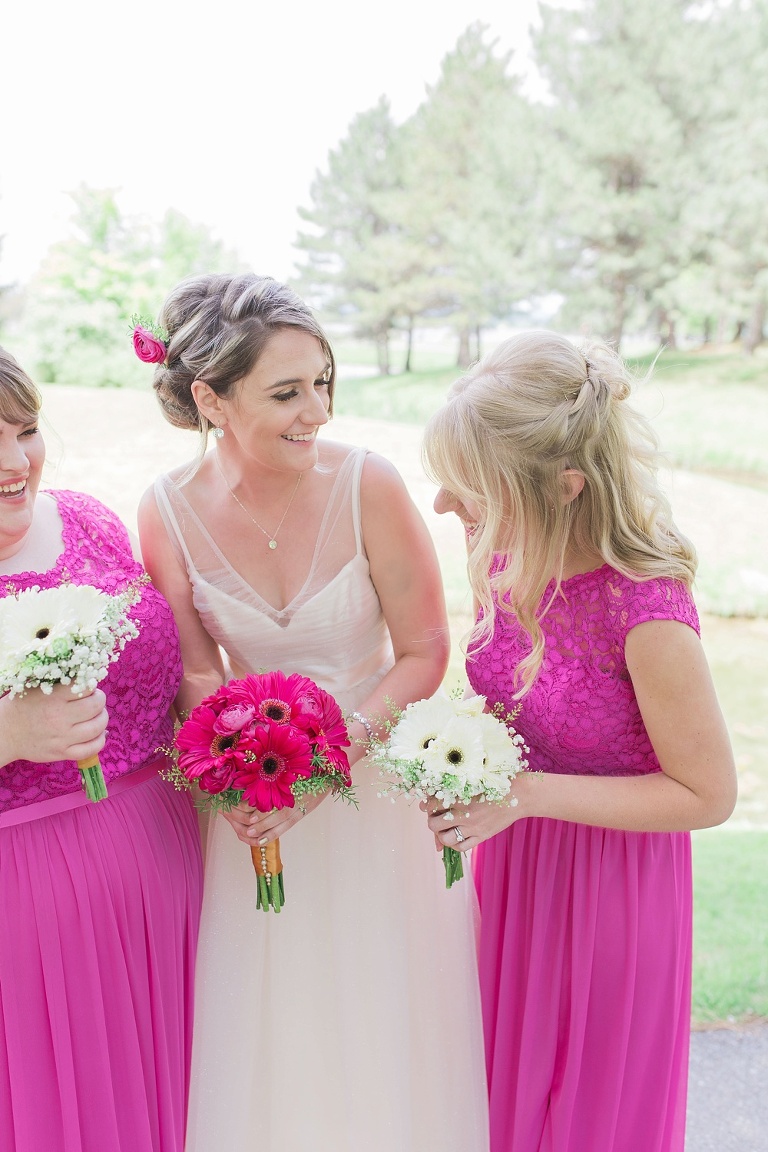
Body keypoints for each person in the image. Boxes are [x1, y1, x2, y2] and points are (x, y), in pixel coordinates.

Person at [136, 272, 489, 1152]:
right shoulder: (166, 510)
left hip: (376, 800)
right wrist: (240, 781)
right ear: (211, 400)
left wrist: (328, 765)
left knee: (384, 1021)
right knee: (272, 1033)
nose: (318, 412)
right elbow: (196, 671)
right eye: (287, 392)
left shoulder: (368, 484)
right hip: (256, 813)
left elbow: (424, 651)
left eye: (324, 383)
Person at [421, 331, 737, 1152]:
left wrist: (526, 794)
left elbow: (708, 794)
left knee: (585, 1115)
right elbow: (508, 697)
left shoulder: (646, 611)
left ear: (562, 488)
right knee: (497, 1100)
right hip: (513, 868)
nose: (444, 505)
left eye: (470, 486)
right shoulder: (501, 556)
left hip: (611, 895)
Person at [0, 347, 203, 1152]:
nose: (16, 464)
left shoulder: (88, 519)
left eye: (26, 430)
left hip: (164, 870)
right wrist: (10, 734)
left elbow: (175, 668)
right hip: (30, 914)